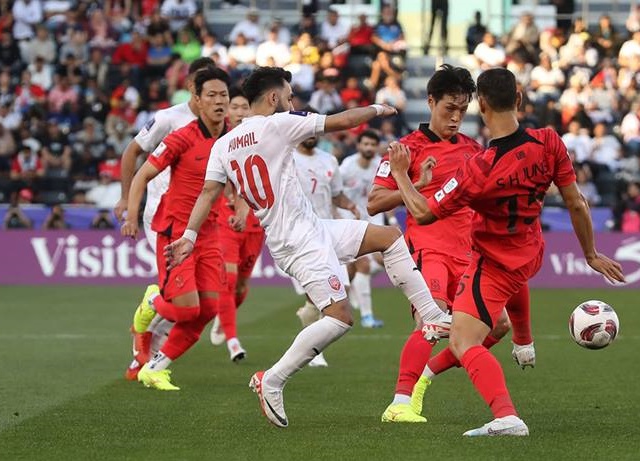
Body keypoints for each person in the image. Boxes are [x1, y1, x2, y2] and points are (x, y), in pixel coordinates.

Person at [165, 67, 451, 427]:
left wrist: (189, 236)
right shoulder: (278, 124)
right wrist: (379, 109)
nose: (290, 101)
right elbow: (340, 121)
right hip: (298, 240)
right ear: (273, 98)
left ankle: (433, 317)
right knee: (340, 318)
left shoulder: (224, 144)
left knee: (389, 238)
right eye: (287, 95)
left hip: (310, 229)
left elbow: (209, 192)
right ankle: (273, 379)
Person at [388, 67, 625, 436]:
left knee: (463, 340)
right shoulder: (549, 141)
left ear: (480, 105)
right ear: (518, 99)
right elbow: (576, 202)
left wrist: (402, 174)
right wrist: (591, 254)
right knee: (494, 324)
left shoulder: (477, 168)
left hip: (492, 261)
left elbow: (422, 212)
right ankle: (515, 346)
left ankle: (506, 416)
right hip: (530, 250)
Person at [368, 65, 532, 423]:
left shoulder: (474, 149)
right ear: (430, 102)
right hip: (429, 249)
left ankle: (427, 376)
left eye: (462, 110)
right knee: (430, 322)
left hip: (470, 254)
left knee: (500, 325)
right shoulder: (405, 149)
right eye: (449, 109)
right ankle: (399, 402)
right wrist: (412, 184)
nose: (456, 117)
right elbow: (374, 201)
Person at [121, 67, 231, 390]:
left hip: (209, 233)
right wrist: (130, 213)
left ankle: (155, 367)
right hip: (175, 231)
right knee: (187, 310)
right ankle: (152, 302)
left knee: (208, 309)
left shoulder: (233, 138)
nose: (219, 101)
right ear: (196, 99)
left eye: (223, 94)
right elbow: (142, 174)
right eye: (211, 95)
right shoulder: (181, 135)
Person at [289, 113, 360, 368]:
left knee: (335, 292)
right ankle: (314, 351)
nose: (310, 134)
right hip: (298, 235)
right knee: (322, 295)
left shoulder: (329, 160)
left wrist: (350, 205)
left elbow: (336, 195)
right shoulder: (287, 159)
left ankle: (310, 327)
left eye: (313, 129)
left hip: (327, 232)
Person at [208, 86, 264, 362]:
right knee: (227, 282)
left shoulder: (262, 139)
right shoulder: (221, 142)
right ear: (228, 111)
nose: (240, 112)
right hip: (226, 220)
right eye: (236, 107)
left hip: (257, 222)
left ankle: (224, 317)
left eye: (245, 107)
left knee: (241, 287)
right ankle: (233, 341)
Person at [338, 130, 385, 328]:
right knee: (363, 263)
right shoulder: (347, 166)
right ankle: (367, 316)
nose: (368, 148)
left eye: (372, 144)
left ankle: (356, 288)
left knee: (384, 260)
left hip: (372, 218)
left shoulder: (380, 166)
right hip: (349, 219)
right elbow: (335, 192)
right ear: (358, 145)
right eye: (365, 144)